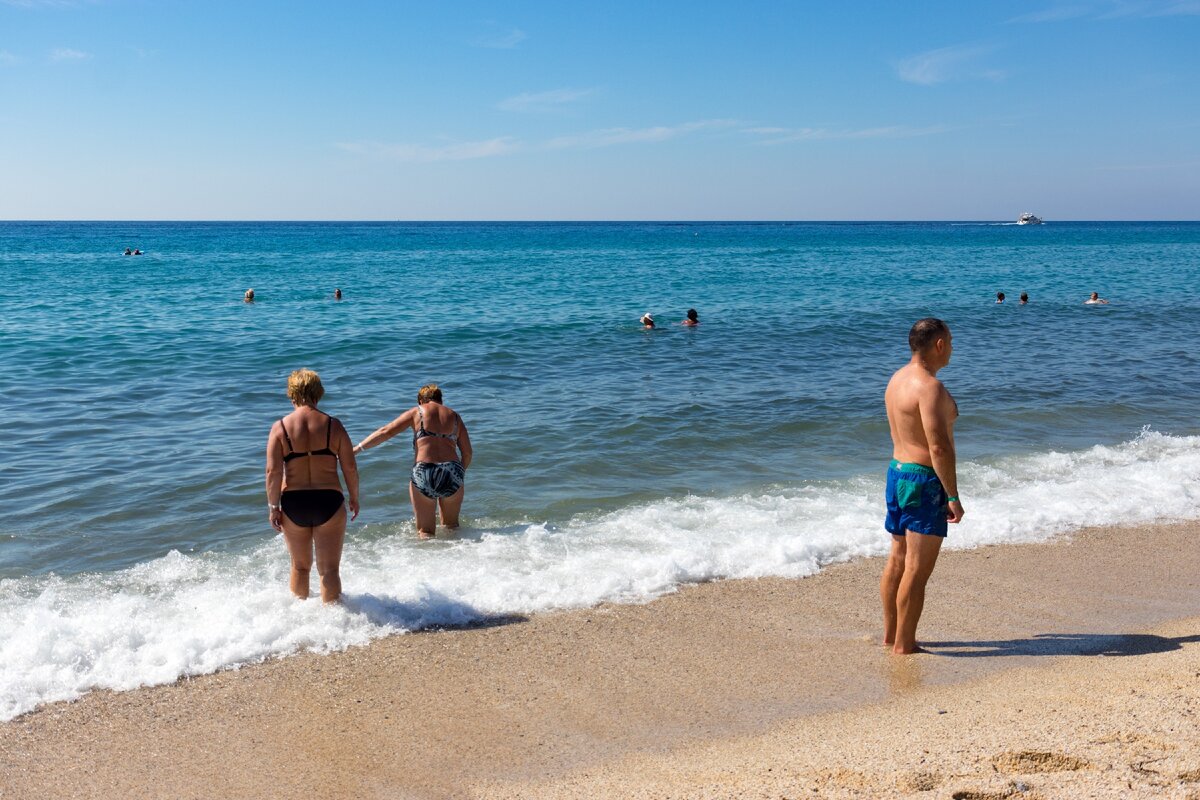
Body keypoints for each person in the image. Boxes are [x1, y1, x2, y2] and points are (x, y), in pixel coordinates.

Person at [880, 318, 963, 655]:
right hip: (922, 480)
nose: (953, 349)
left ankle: (891, 635)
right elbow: (938, 447)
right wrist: (953, 496)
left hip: (896, 472)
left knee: (898, 559)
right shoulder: (930, 388)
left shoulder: (897, 379)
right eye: (951, 342)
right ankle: (904, 644)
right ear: (939, 344)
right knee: (917, 567)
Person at [265, 369, 360, 602]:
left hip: (294, 502)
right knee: (329, 570)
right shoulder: (333, 426)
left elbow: (273, 472)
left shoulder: (280, 428)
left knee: (300, 567)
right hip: (328, 500)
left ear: (292, 394)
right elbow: (349, 468)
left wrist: (272, 507)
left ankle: (302, 625)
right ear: (318, 393)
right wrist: (354, 497)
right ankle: (335, 625)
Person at [354, 383, 473, 540]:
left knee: (426, 532)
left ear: (420, 401)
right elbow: (468, 453)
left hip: (424, 472)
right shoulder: (455, 416)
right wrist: (459, 473)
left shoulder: (417, 412)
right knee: (452, 528)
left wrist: (357, 449)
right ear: (441, 400)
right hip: (452, 472)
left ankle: (430, 564)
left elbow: (385, 432)